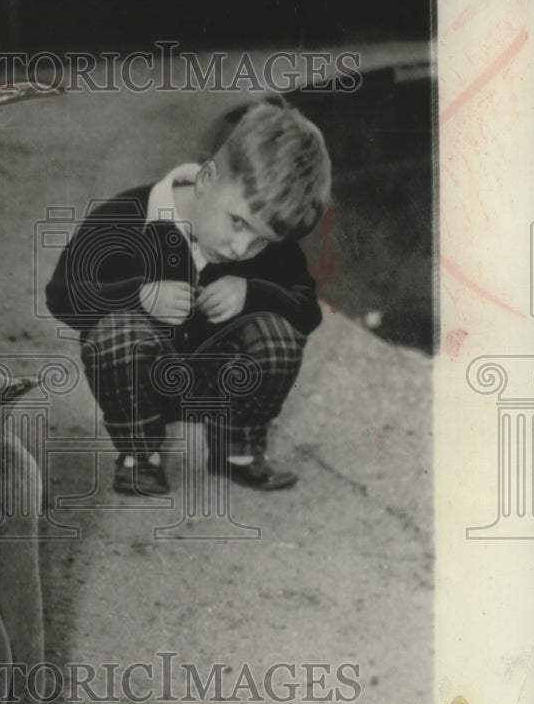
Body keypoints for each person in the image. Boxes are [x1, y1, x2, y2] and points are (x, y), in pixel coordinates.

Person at [45, 98, 332, 497]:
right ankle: (140, 453)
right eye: (237, 223)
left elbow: (307, 311)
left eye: (261, 239)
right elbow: (62, 293)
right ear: (207, 179)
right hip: (141, 380)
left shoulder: (264, 250)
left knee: (280, 336)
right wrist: (138, 295)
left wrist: (253, 293)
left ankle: (237, 448)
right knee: (113, 332)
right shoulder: (125, 216)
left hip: (216, 384)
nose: (240, 247)